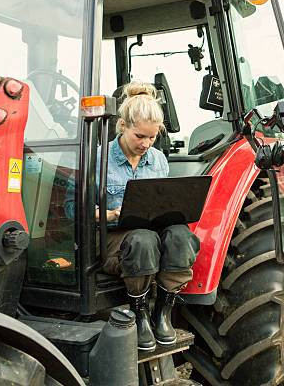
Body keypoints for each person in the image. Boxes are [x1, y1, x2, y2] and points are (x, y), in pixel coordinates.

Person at [84, 81, 199, 351]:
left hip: (150, 234)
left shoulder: (158, 160)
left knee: (181, 236)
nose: (146, 144)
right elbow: (72, 210)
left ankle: (163, 311)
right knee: (143, 239)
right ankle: (140, 312)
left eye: (152, 137)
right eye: (140, 136)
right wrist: (110, 213)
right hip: (112, 240)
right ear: (122, 126)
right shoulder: (98, 160)